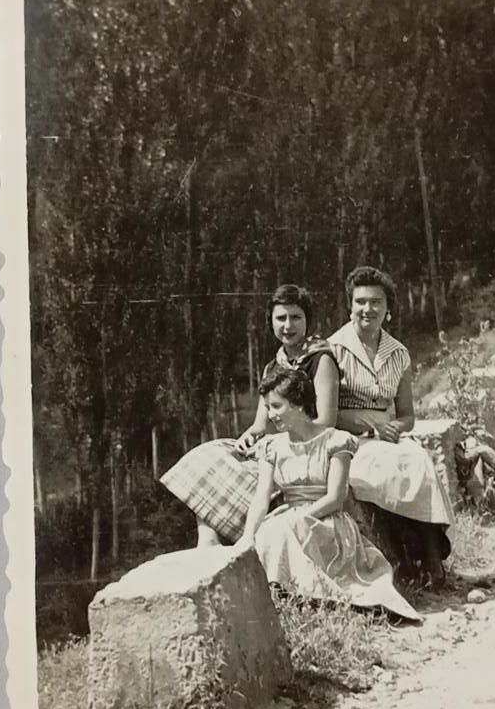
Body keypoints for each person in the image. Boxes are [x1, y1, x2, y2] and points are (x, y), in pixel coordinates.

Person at [159, 284, 340, 546]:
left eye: (295, 317)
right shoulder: (273, 366)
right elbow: (260, 425)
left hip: (308, 448)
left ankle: (224, 543)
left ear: (307, 321)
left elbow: (326, 422)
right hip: (276, 445)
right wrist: (249, 437)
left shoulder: (320, 359)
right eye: (281, 318)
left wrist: (277, 442)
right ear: (271, 322)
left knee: (248, 475)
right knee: (211, 456)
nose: (288, 325)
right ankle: (208, 542)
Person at [240, 368, 421, 622]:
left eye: (277, 406)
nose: (271, 415)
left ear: (299, 404)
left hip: (326, 519)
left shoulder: (335, 441)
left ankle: (306, 597)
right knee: (270, 531)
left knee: (283, 530)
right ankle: (282, 597)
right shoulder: (272, 447)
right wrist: (248, 536)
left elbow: (336, 496)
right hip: (289, 517)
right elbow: (261, 497)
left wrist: (301, 518)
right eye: (268, 407)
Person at [328, 265, 454, 586]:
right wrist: (369, 429)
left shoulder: (398, 353)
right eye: (360, 302)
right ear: (349, 306)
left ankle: (432, 559)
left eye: (375, 302)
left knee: (419, 462)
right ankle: (398, 559)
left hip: (388, 437)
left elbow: (408, 414)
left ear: (387, 310)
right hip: (349, 439)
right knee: (375, 472)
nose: (367, 309)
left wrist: (396, 427)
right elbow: (326, 414)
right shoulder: (333, 350)